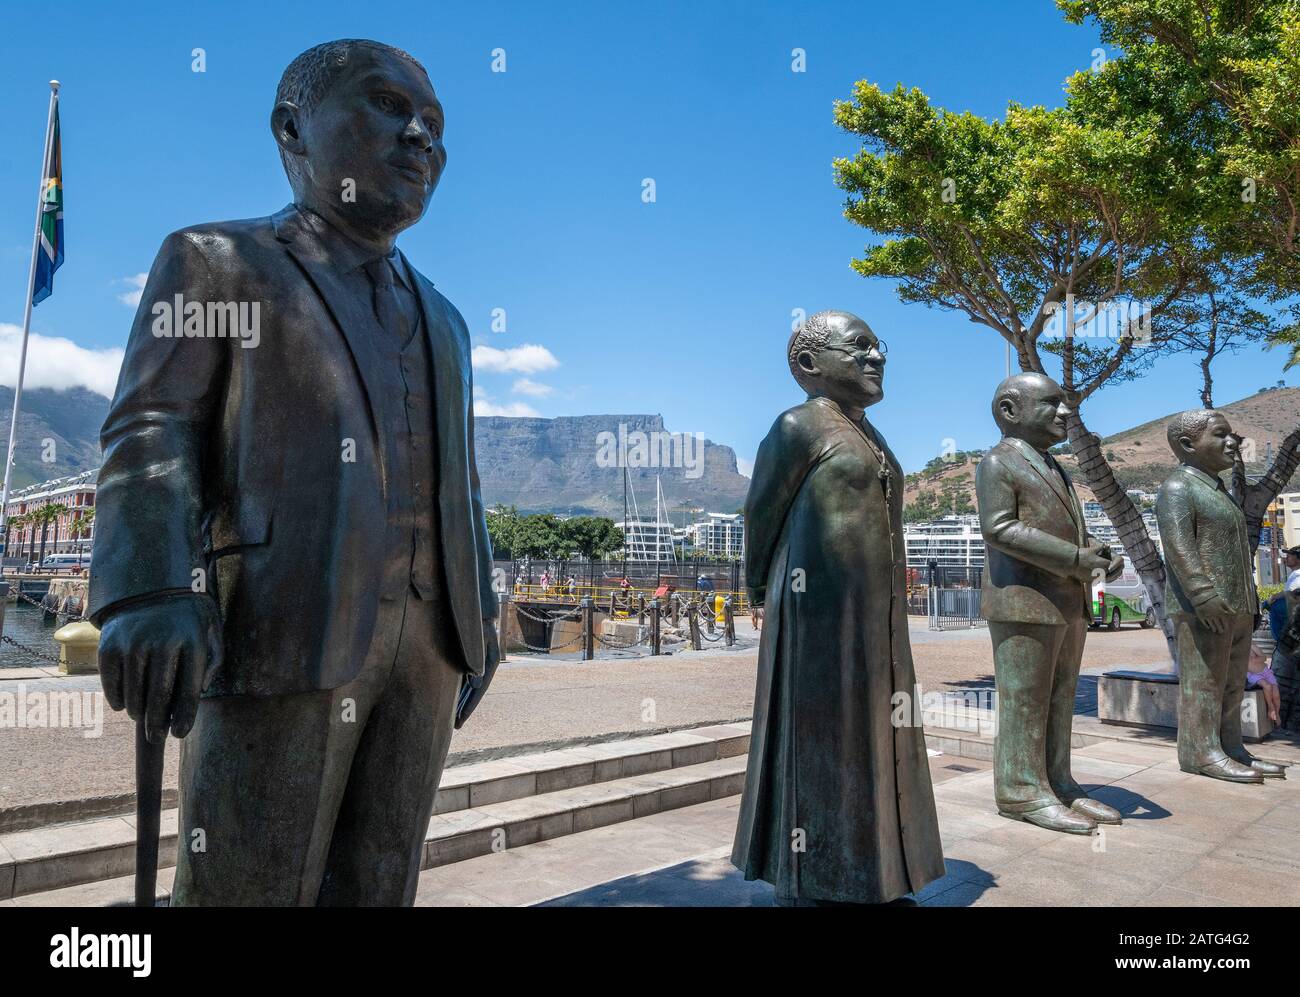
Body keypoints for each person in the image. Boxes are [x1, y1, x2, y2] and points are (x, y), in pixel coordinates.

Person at [88, 39, 501, 905]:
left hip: (428, 647)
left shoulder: (450, 319)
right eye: (389, 106)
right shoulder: (217, 261)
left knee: (382, 880)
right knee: (248, 880)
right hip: (280, 630)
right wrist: (151, 589)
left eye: (434, 123)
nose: (421, 135)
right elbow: (151, 425)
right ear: (293, 126)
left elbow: (459, 483)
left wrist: (481, 609)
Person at [733, 310, 943, 905]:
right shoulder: (798, 426)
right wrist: (756, 592)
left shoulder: (868, 433)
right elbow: (761, 513)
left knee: (877, 736)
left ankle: (870, 871)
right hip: (817, 614)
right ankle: (814, 877)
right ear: (809, 363)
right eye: (859, 348)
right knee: (821, 735)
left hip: (875, 616)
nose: (876, 358)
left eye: (880, 348)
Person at [977, 373, 1124, 834]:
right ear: (1009, 411)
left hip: (1065, 600)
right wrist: (1076, 559)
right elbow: (999, 528)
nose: (1065, 413)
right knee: (1026, 700)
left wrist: (1095, 554)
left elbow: (1060, 528)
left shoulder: (1052, 465)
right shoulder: (998, 462)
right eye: (1051, 404)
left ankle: (1058, 780)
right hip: (1022, 602)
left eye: (1065, 403)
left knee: (1060, 697)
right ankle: (1021, 791)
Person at [1157, 410, 1283, 781]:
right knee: (1205, 684)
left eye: (1233, 434)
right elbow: (1179, 548)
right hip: (1204, 608)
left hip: (1236, 605)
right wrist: (1201, 594)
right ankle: (1200, 752)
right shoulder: (1179, 487)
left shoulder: (1217, 490)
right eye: (1221, 435)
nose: (1234, 442)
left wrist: (1250, 601)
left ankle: (1230, 747)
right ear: (1187, 445)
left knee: (1231, 685)